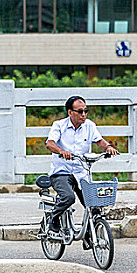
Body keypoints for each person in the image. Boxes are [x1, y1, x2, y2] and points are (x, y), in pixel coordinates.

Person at [45, 95, 118, 234]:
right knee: (68, 198)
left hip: (81, 172)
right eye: (80, 111)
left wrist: (108, 148)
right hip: (61, 172)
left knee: (93, 204)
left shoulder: (89, 125)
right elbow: (50, 144)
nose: (83, 115)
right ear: (70, 112)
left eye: (85, 111)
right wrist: (61, 151)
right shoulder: (59, 125)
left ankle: (89, 234)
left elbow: (100, 141)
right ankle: (53, 219)